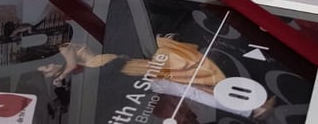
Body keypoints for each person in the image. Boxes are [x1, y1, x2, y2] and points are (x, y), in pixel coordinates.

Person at [39, 38, 277, 121]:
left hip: (143, 70)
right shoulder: (82, 63)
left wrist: (61, 71)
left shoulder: (77, 55)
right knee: (192, 88)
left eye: (46, 65)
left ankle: (249, 106)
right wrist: (61, 71)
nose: (48, 69)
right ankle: (250, 107)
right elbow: (75, 64)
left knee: (194, 85)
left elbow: (72, 63)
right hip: (143, 75)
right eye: (47, 69)